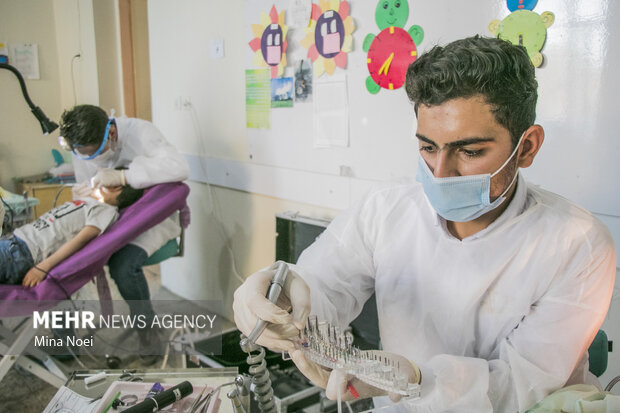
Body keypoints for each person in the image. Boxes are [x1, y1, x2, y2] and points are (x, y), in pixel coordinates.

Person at [233, 36, 617, 412]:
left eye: (470, 151)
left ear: (527, 147)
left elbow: (521, 386)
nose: (440, 173)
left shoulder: (577, 244)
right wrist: (280, 299)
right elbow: (324, 287)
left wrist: (423, 380)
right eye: (428, 147)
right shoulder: (386, 210)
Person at [58, 105, 189, 345]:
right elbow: (88, 187)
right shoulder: (81, 150)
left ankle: (149, 335)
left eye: (93, 154)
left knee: (123, 266)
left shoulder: (141, 132)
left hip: (152, 217)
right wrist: (88, 193)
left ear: (112, 134)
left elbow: (179, 167)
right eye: (84, 155)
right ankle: (64, 344)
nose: (90, 161)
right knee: (63, 259)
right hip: (109, 218)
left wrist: (123, 177)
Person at [0, 184, 143, 287]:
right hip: (14, 242)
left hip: (20, 253)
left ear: (116, 187)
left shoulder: (106, 210)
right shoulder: (91, 202)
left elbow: (81, 240)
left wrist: (43, 267)